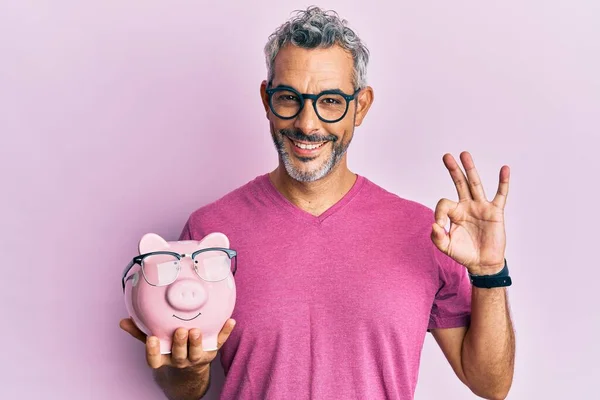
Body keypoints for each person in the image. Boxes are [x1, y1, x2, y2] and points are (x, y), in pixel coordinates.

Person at [120, 6, 515, 400]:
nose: (308, 124)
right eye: (290, 97)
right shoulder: (209, 234)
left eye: (329, 101)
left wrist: (489, 272)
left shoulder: (424, 231)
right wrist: (185, 368)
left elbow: (490, 385)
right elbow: (187, 390)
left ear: (360, 106)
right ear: (266, 99)